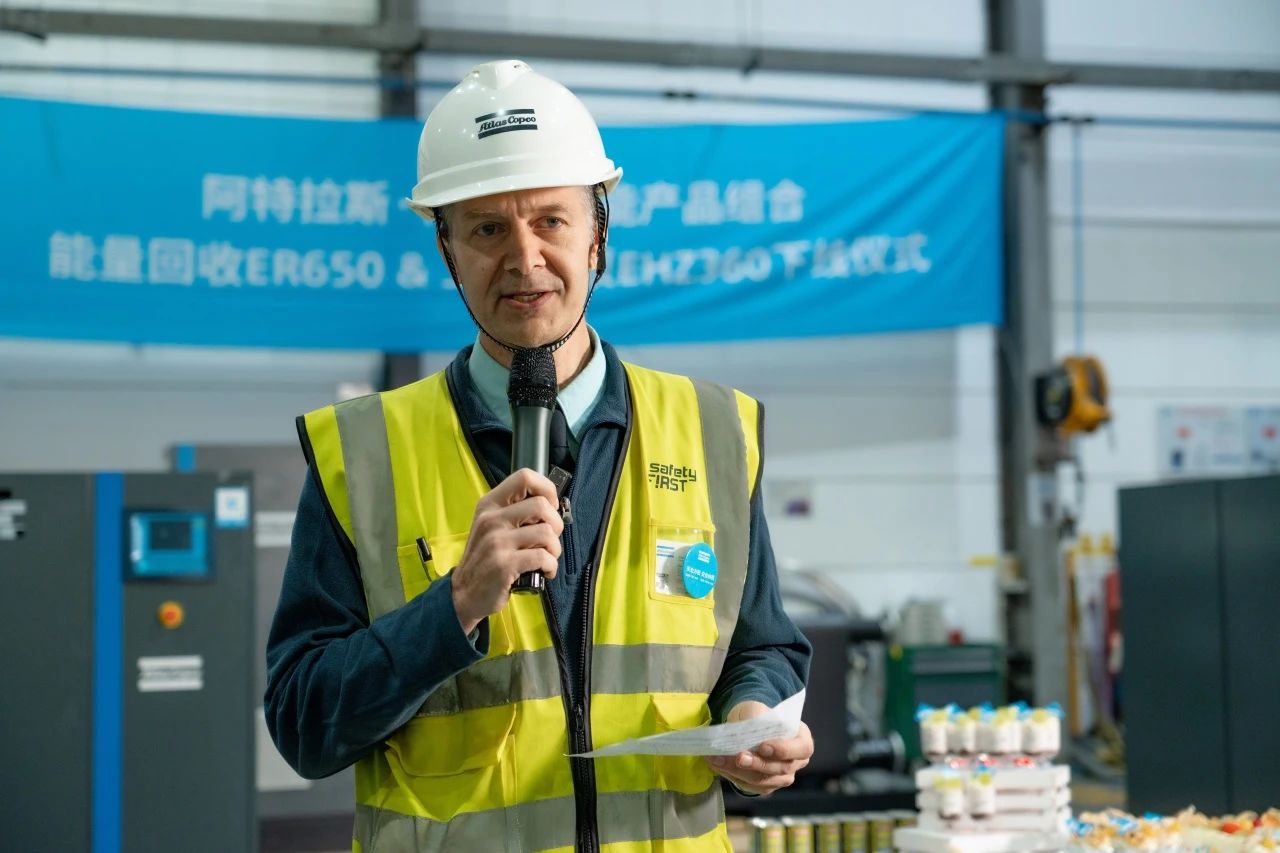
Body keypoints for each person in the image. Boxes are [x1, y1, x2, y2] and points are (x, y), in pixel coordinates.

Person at [265, 59, 813, 852]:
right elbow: (302, 725)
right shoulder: (362, 455)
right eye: (487, 229)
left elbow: (762, 645)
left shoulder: (715, 430)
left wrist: (753, 714)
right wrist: (453, 605)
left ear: (598, 236)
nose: (523, 259)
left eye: (551, 220)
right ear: (447, 248)